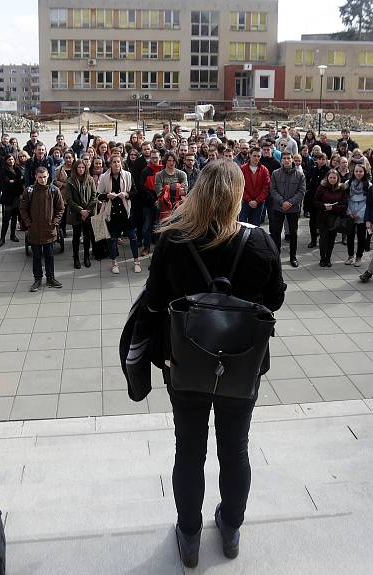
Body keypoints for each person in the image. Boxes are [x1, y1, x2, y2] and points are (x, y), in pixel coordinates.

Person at [143, 159, 286, 567]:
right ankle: (231, 528)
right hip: (241, 365)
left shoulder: (174, 239)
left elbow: (154, 302)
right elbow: (273, 301)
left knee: (189, 450)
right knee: (235, 449)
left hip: (186, 364)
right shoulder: (259, 242)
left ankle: (189, 535)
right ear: (239, 196)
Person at [20, 167, 65, 292]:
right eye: (40, 177)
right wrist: (29, 223)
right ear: (35, 176)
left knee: (49, 256)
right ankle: (37, 279)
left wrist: (55, 222)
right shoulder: (29, 190)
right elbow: (22, 208)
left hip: (49, 230)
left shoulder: (54, 190)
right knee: (36, 256)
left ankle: (50, 278)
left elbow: (60, 208)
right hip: (34, 230)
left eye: (44, 177)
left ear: (48, 176)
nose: (42, 179)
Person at [98, 155, 141, 274]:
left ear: (121, 163)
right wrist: (107, 196)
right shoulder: (104, 177)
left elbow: (135, 192)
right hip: (111, 212)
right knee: (112, 239)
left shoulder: (127, 175)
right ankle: (114, 263)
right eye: (114, 162)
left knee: (133, 237)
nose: (116, 164)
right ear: (110, 164)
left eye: (118, 162)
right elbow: (98, 195)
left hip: (126, 211)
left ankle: (136, 261)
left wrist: (126, 194)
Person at [268, 151, 305, 267]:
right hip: (278, 208)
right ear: (281, 160)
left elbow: (301, 191)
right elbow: (273, 190)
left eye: (289, 158)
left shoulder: (300, 175)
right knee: (276, 232)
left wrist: (290, 202)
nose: (286, 160)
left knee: (293, 233)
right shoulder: (275, 173)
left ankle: (293, 257)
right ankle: (276, 256)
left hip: (293, 209)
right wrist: (282, 202)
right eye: (284, 158)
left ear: (292, 159)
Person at [65, 159, 97, 269]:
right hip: (76, 213)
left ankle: (86, 257)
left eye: (83, 167)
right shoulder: (70, 181)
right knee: (76, 236)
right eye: (79, 167)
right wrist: (80, 210)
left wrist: (87, 211)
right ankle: (76, 258)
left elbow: (94, 196)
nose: (81, 169)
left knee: (87, 236)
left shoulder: (90, 180)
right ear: (75, 168)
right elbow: (68, 199)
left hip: (88, 213)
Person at [314, 170, 349, 267]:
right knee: (323, 239)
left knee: (331, 239)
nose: (332, 179)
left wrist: (333, 207)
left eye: (334, 177)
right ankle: (322, 258)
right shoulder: (322, 188)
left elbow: (344, 205)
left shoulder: (342, 189)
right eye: (330, 177)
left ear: (338, 178)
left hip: (335, 218)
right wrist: (324, 205)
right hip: (323, 218)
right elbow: (315, 202)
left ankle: (328, 258)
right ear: (327, 178)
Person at [139, 148, 164, 257]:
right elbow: (142, 187)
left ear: (160, 158)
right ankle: (146, 247)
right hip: (148, 203)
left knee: (159, 226)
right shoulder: (146, 171)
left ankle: (158, 247)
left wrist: (160, 199)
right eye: (152, 157)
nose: (154, 160)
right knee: (147, 226)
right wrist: (153, 200)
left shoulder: (163, 170)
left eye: (156, 157)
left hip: (162, 202)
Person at [344, 164, 370, 266]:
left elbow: (369, 202)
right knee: (349, 236)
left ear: (364, 172)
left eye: (361, 171)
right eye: (356, 171)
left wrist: (360, 213)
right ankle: (350, 256)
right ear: (353, 172)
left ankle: (359, 257)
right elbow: (346, 199)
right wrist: (350, 212)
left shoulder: (368, 185)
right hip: (350, 213)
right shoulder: (348, 183)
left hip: (361, 215)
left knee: (361, 237)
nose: (358, 173)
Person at [239, 148, 270, 227]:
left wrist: (257, 200)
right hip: (245, 202)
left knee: (255, 226)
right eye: (254, 156)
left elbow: (266, 187)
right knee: (242, 225)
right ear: (250, 155)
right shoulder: (242, 169)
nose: (256, 158)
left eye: (258, 156)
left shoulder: (264, 170)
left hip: (259, 203)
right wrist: (249, 200)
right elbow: (240, 186)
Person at [0, 154, 23, 246]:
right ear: (6, 160)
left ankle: (13, 235)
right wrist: (16, 181)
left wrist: (14, 181)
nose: (11, 161)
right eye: (9, 159)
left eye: (12, 159)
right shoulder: (3, 170)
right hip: (8, 197)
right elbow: (6, 182)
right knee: (6, 219)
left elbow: (21, 181)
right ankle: (2, 238)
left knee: (14, 217)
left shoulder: (17, 169)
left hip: (16, 196)